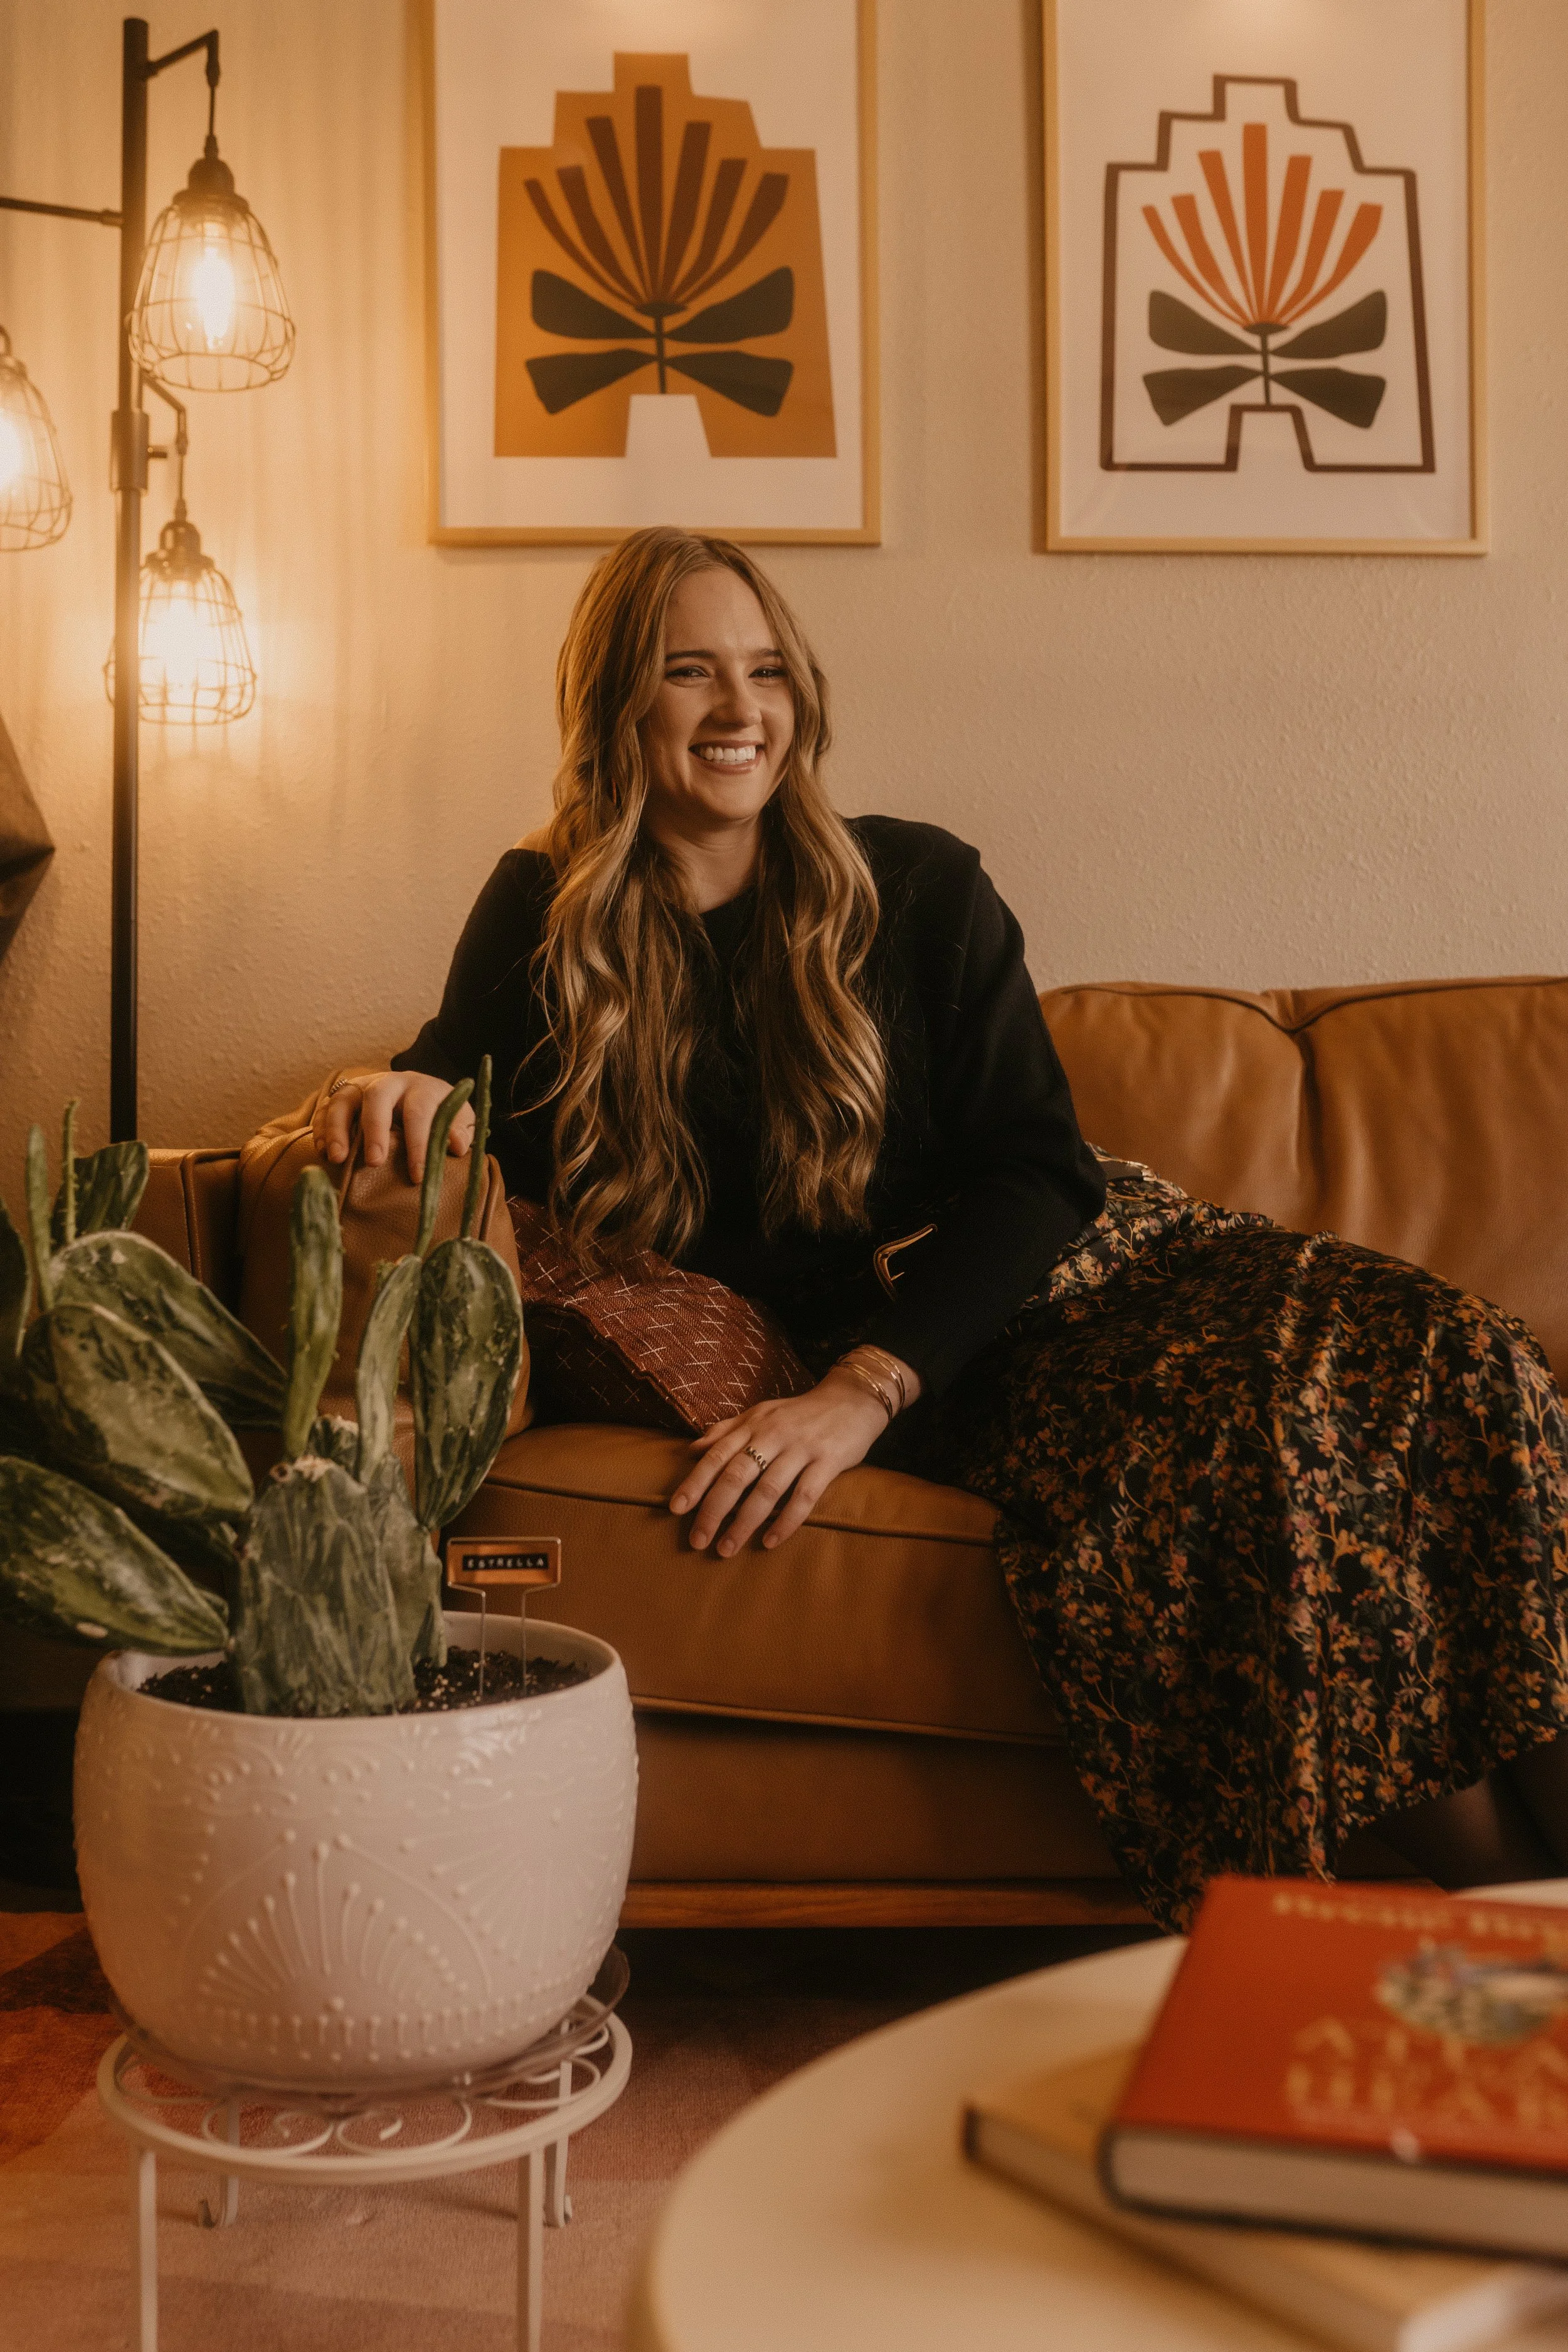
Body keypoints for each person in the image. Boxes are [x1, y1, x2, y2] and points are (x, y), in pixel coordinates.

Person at [317, 526, 1568, 1931]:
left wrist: (857, 1394)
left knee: (1449, 1353)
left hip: (1087, 1270)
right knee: (1262, 1460)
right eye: (689, 672)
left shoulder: (913, 886)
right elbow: (443, 1074)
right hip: (969, 1369)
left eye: (767, 670)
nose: (742, 711)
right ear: (617, 704)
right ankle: (1519, 1915)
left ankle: (1533, 1913)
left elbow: (1037, 1175)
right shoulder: (542, 917)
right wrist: (394, 1087)